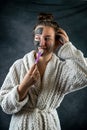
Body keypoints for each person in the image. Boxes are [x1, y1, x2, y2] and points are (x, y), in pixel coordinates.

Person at [0, 12, 87, 130]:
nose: (41, 43)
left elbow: (84, 75)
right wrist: (24, 86)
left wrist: (68, 47)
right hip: (20, 125)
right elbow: (6, 106)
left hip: (49, 125)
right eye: (38, 38)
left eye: (47, 38)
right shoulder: (18, 66)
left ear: (57, 42)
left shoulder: (62, 70)